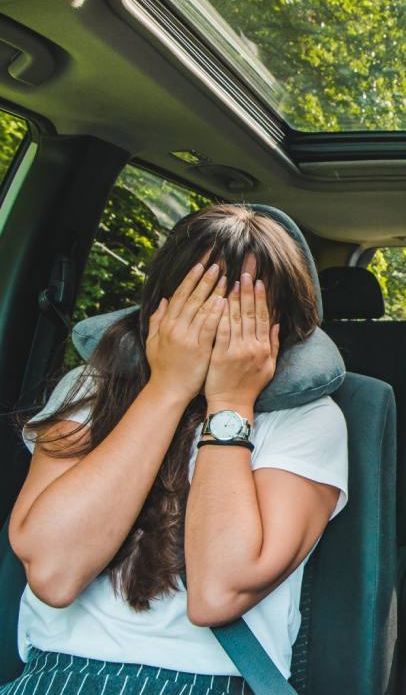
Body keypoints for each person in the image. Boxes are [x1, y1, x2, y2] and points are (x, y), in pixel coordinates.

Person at [2, 204, 347, 695]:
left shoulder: (310, 419)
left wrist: (229, 403)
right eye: (202, 293)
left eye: (246, 302)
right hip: (56, 673)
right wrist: (166, 389)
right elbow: (54, 575)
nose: (220, 317)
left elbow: (217, 593)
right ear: (160, 305)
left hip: (207, 681)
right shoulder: (89, 390)